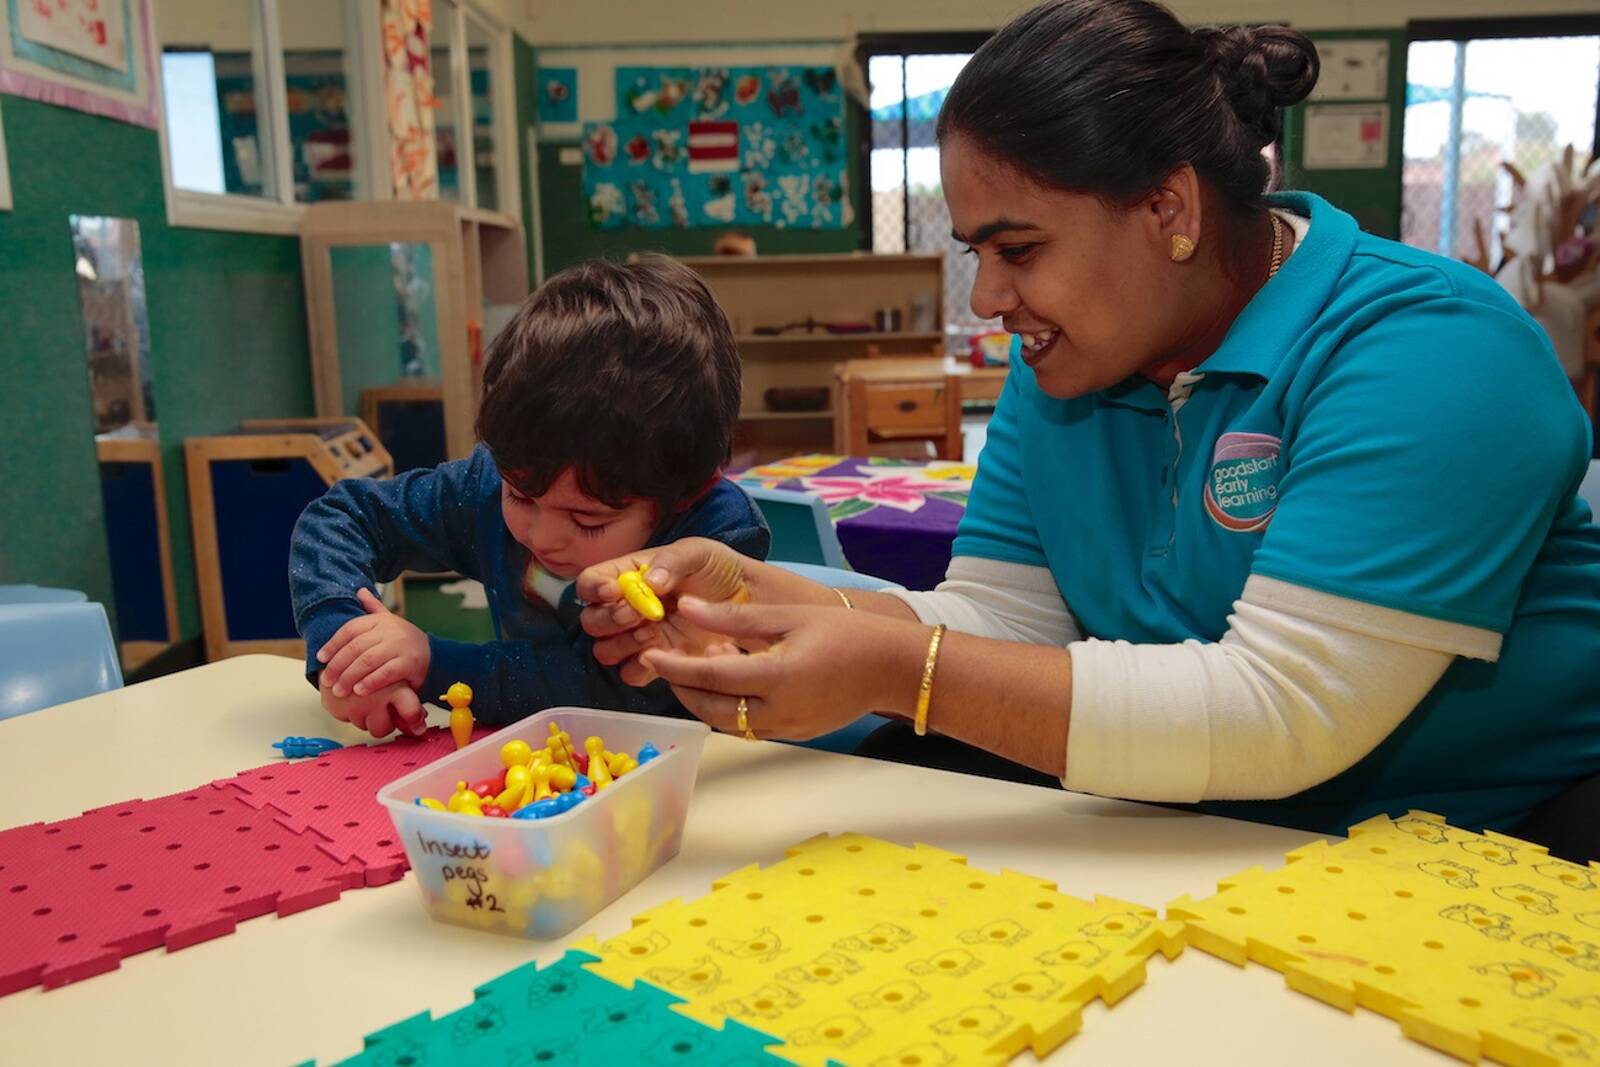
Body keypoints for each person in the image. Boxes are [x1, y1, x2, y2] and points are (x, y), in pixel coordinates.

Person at [575, 0, 1600, 858]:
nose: (986, 299)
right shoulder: (1068, 357)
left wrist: (892, 669)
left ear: (1170, 211)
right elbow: (1006, 621)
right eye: (976, 251)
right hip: (1200, 821)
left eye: (1016, 248)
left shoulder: (1428, 349)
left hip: (1495, 849)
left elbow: (1283, 710)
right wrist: (759, 596)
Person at [288, 255, 769, 738]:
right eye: (520, 497)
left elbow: (617, 692)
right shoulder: (489, 485)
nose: (541, 536)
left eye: (587, 521)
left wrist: (432, 664)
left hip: (692, 775)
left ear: (684, 493)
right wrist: (347, 654)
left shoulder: (717, 538)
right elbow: (344, 517)